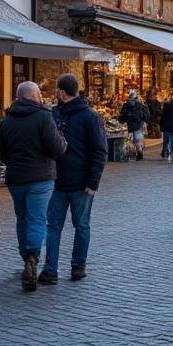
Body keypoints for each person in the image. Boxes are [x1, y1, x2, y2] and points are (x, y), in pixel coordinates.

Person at [0, 81, 66, 292]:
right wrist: (63, 143)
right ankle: (32, 257)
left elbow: (0, 151)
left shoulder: (6, 120)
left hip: (17, 178)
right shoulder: (44, 117)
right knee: (37, 218)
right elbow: (56, 147)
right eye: (39, 94)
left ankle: (26, 257)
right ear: (34, 96)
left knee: (23, 217)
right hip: (41, 177)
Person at [42, 74, 107, 285]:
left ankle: (62, 268)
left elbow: (99, 151)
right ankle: (69, 267)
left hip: (73, 181)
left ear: (61, 92)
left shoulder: (80, 116)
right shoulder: (62, 115)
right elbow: (99, 151)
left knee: (62, 225)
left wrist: (92, 182)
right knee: (73, 225)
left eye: (57, 90)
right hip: (65, 181)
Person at [119, 90, 149, 161]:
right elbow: (145, 115)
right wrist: (144, 121)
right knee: (138, 141)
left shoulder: (126, 105)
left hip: (129, 125)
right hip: (138, 125)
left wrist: (123, 119)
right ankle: (139, 153)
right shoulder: (140, 105)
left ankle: (133, 154)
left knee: (130, 141)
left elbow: (122, 116)